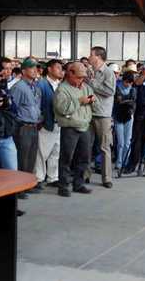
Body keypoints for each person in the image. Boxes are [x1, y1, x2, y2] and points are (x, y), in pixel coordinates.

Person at [54, 62, 94, 197]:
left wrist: (92, 100)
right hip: (70, 128)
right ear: (70, 74)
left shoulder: (86, 87)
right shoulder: (62, 89)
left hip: (85, 126)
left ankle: (79, 183)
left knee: (84, 157)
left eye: (83, 77)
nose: (81, 80)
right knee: (66, 158)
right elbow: (62, 109)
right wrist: (80, 101)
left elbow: (94, 103)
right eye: (78, 77)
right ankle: (63, 186)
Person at [10, 57, 42, 196]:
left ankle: (28, 184)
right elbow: (12, 108)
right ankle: (20, 187)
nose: (35, 70)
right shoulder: (18, 87)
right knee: (22, 158)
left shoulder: (35, 87)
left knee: (31, 157)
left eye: (36, 68)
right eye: (31, 68)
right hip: (22, 126)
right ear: (23, 71)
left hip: (34, 126)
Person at [86, 47, 116, 188]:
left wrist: (92, 82)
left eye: (91, 55)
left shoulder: (108, 72)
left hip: (103, 114)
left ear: (98, 57)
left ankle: (106, 178)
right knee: (86, 145)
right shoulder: (90, 71)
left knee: (104, 147)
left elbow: (110, 91)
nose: (89, 57)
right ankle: (85, 175)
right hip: (88, 112)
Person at [34, 59, 63, 190]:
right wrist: (41, 121)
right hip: (47, 123)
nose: (60, 70)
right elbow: (37, 105)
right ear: (50, 69)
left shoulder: (60, 84)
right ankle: (39, 178)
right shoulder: (42, 84)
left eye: (61, 68)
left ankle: (53, 177)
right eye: (57, 67)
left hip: (59, 123)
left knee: (55, 151)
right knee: (41, 152)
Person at [114, 72, 136, 171]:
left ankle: (125, 161)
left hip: (129, 117)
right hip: (118, 117)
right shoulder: (117, 88)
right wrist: (128, 102)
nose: (128, 84)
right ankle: (119, 162)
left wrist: (125, 101)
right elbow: (119, 101)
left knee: (127, 142)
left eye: (130, 82)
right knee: (120, 142)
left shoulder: (133, 89)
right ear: (123, 80)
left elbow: (133, 102)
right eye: (127, 82)